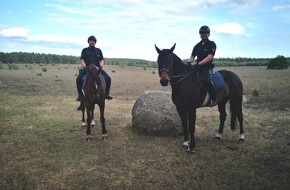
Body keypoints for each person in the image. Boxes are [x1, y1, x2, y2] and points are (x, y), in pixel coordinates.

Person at [76, 35, 113, 102]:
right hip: (87, 69)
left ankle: (107, 94)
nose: (92, 42)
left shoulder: (98, 50)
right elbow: (82, 60)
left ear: (95, 42)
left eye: (93, 41)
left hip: (97, 69)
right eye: (90, 41)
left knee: (108, 78)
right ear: (88, 42)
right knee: (78, 79)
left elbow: (101, 60)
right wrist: (85, 67)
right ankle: (80, 95)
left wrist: (101, 67)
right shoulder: (84, 50)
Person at [187, 25, 217, 107]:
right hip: (197, 68)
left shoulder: (211, 44)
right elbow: (192, 56)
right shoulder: (197, 46)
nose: (204, 34)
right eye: (202, 33)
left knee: (207, 80)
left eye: (205, 33)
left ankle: (213, 99)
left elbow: (210, 57)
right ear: (200, 34)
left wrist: (198, 64)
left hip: (207, 68)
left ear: (208, 34)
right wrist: (188, 63)